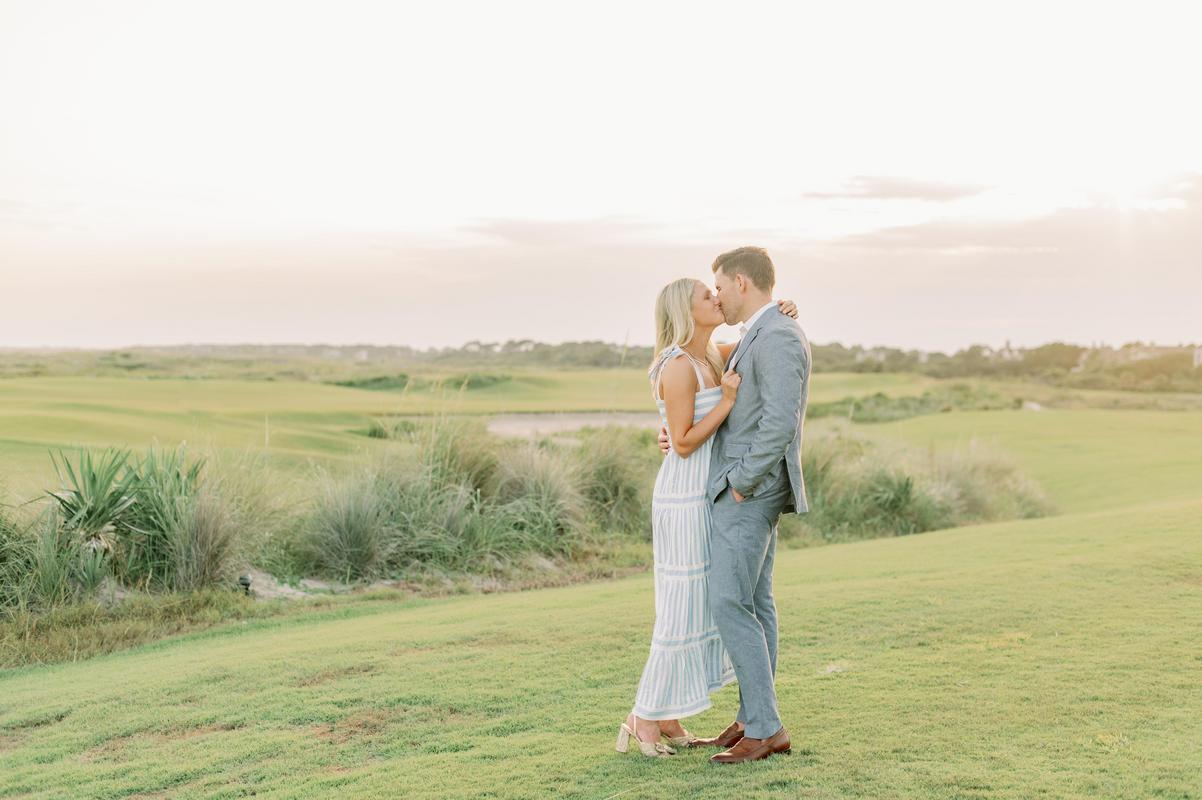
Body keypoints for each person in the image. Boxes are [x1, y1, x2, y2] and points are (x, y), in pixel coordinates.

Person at [616, 274, 799, 758]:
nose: (716, 298)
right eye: (706, 295)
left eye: (716, 290)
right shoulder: (678, 365)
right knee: (681, 605)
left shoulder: (715, 354)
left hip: (710, 487)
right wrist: (727, 402)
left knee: (699, 604)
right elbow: (681, 442)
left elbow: (762, 332)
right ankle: (643, 716)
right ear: (685, 310)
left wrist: (782, 306)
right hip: (685, 493)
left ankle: (668, 715)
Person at [658, 246, 811, 765]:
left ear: (741, 282)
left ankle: (765, 729)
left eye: (720, 286)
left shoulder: (778, 334)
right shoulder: (760, 331)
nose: (718, 296)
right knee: (756, 603)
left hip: (748, 491)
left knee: (729, 603)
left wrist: (742, 483)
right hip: (745, 487)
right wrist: (672, 432)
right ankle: (752, 718)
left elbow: (780, 422)